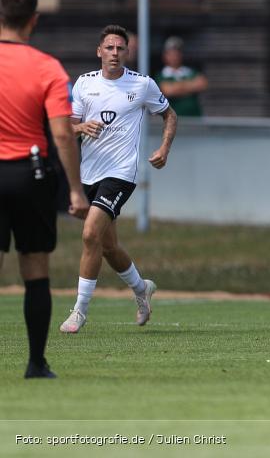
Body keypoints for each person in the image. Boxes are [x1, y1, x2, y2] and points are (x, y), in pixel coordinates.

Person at [59, 25, 178, 334]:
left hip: (121, 174)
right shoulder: (84, 84)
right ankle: (141, 289)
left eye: (120, 48)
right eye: (109, 48)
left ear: (128, 52)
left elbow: (169, 115)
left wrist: (164, 147)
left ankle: (79, 311)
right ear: (99, 51)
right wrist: (82, 127)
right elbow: (68, 127)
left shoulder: (142, 85)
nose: (114, 53)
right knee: (108, 246)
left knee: (89, 236)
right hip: (89, 174)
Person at [0, 0, 89, 378]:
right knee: (35, 268)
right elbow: (63, 133)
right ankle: (36, 363)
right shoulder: (47, 67)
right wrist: (75, 188)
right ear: (33, 20)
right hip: (29, 174)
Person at [156, 36, 207, 117]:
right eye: (171, 53)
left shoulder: (190, 71)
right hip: (172, 121)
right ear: (165, 55)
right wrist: (191, 86)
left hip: (194, 119)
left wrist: (177, 87)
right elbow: (168, 91)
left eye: (177, 53)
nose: (175, 56)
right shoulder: (161, 75)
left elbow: (202, 84)